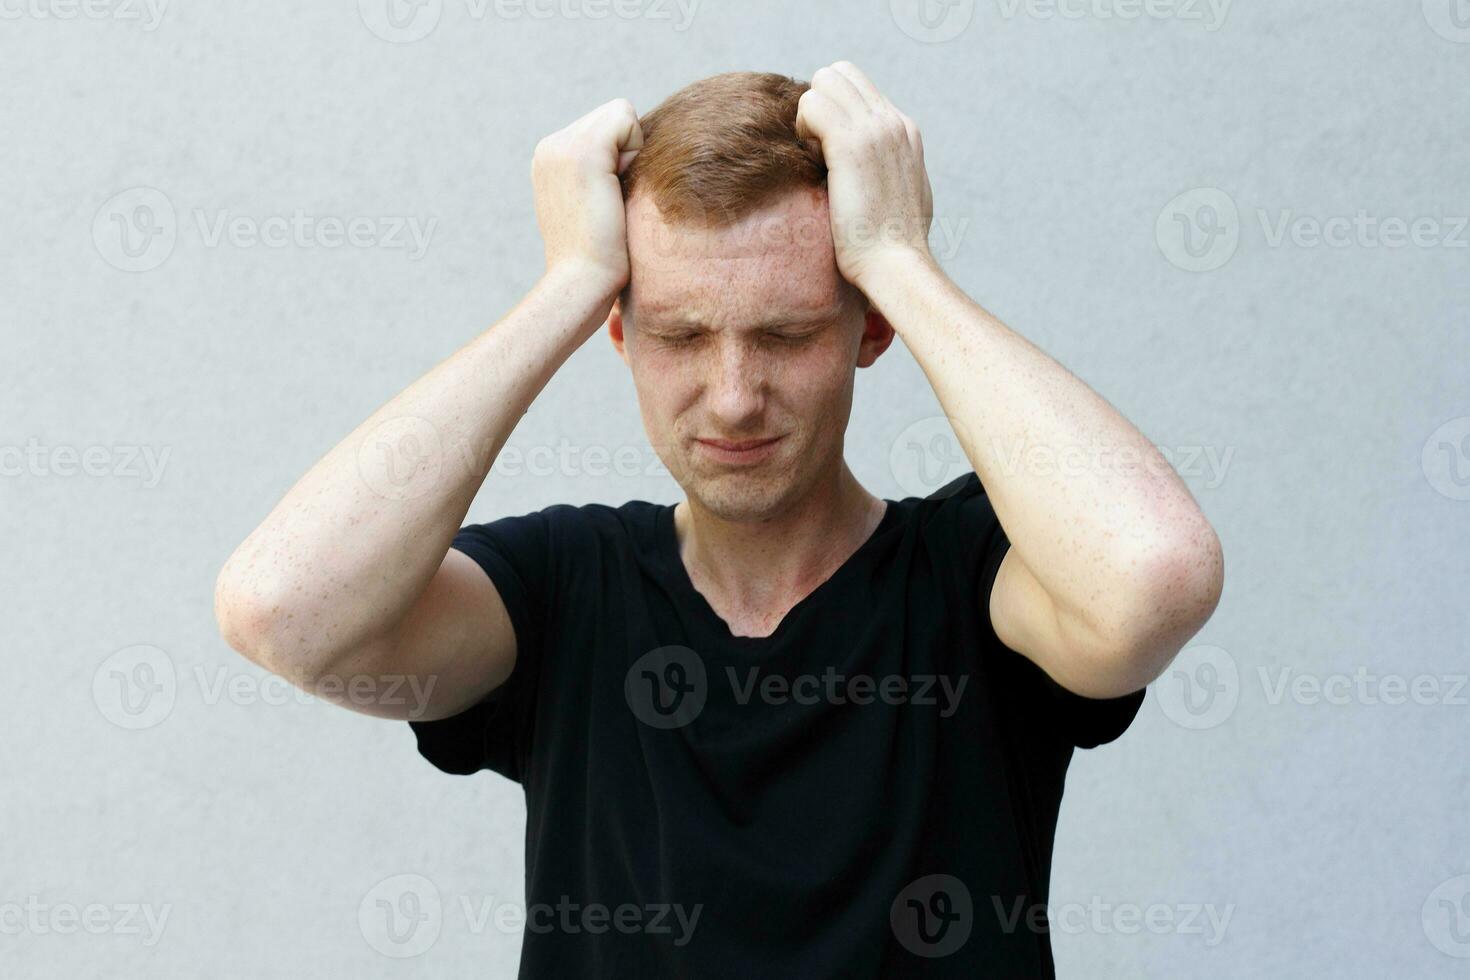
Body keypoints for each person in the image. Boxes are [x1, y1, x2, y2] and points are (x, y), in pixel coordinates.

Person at [214, 61, 1224, 978]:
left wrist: (901, 260)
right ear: (618, 332)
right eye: (679, 335)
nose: (734, 395)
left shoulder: (978, 577)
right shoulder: (567, 590)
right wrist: (566, 282)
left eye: (784, 335)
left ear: (867, 328)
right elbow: (284, 609)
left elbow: (1155, 577)